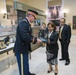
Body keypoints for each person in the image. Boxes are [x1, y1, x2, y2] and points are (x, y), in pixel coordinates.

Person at [13, 9, 41, 75]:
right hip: (21, 49)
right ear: (31, 16)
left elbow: (29, 35)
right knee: (23, 65)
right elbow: (25, 37)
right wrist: (36, 40)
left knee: (26, 63)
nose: (34, 20)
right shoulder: (23, 23)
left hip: (24, 48)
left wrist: (35, 39)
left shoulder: (27, 23)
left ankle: (27, 73)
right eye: (34, 18)